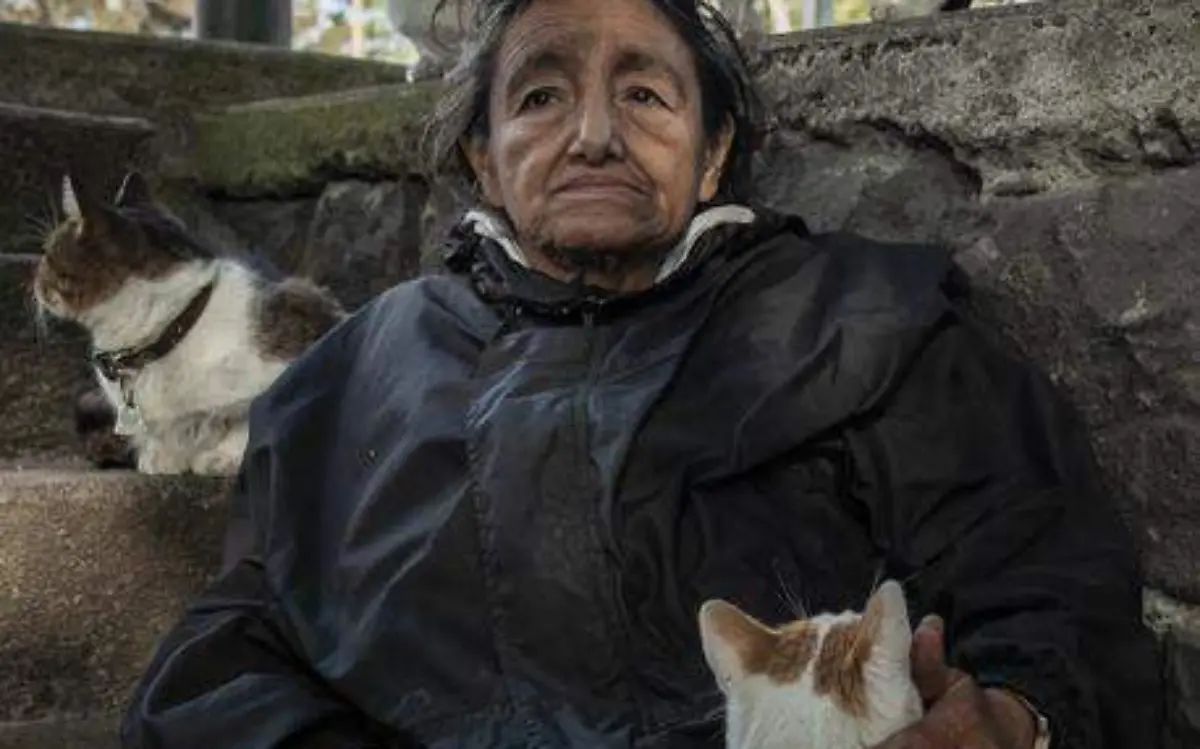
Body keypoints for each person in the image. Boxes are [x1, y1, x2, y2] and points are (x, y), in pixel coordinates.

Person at [119, 0, 1162, 747]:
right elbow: (227, 655)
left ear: (712, 155)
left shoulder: (872, 323)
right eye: (540, 95)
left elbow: (1051, 584)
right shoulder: (345, 381)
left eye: (646, 94)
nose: (594, 135)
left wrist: (1022, 716)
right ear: (483, 155)